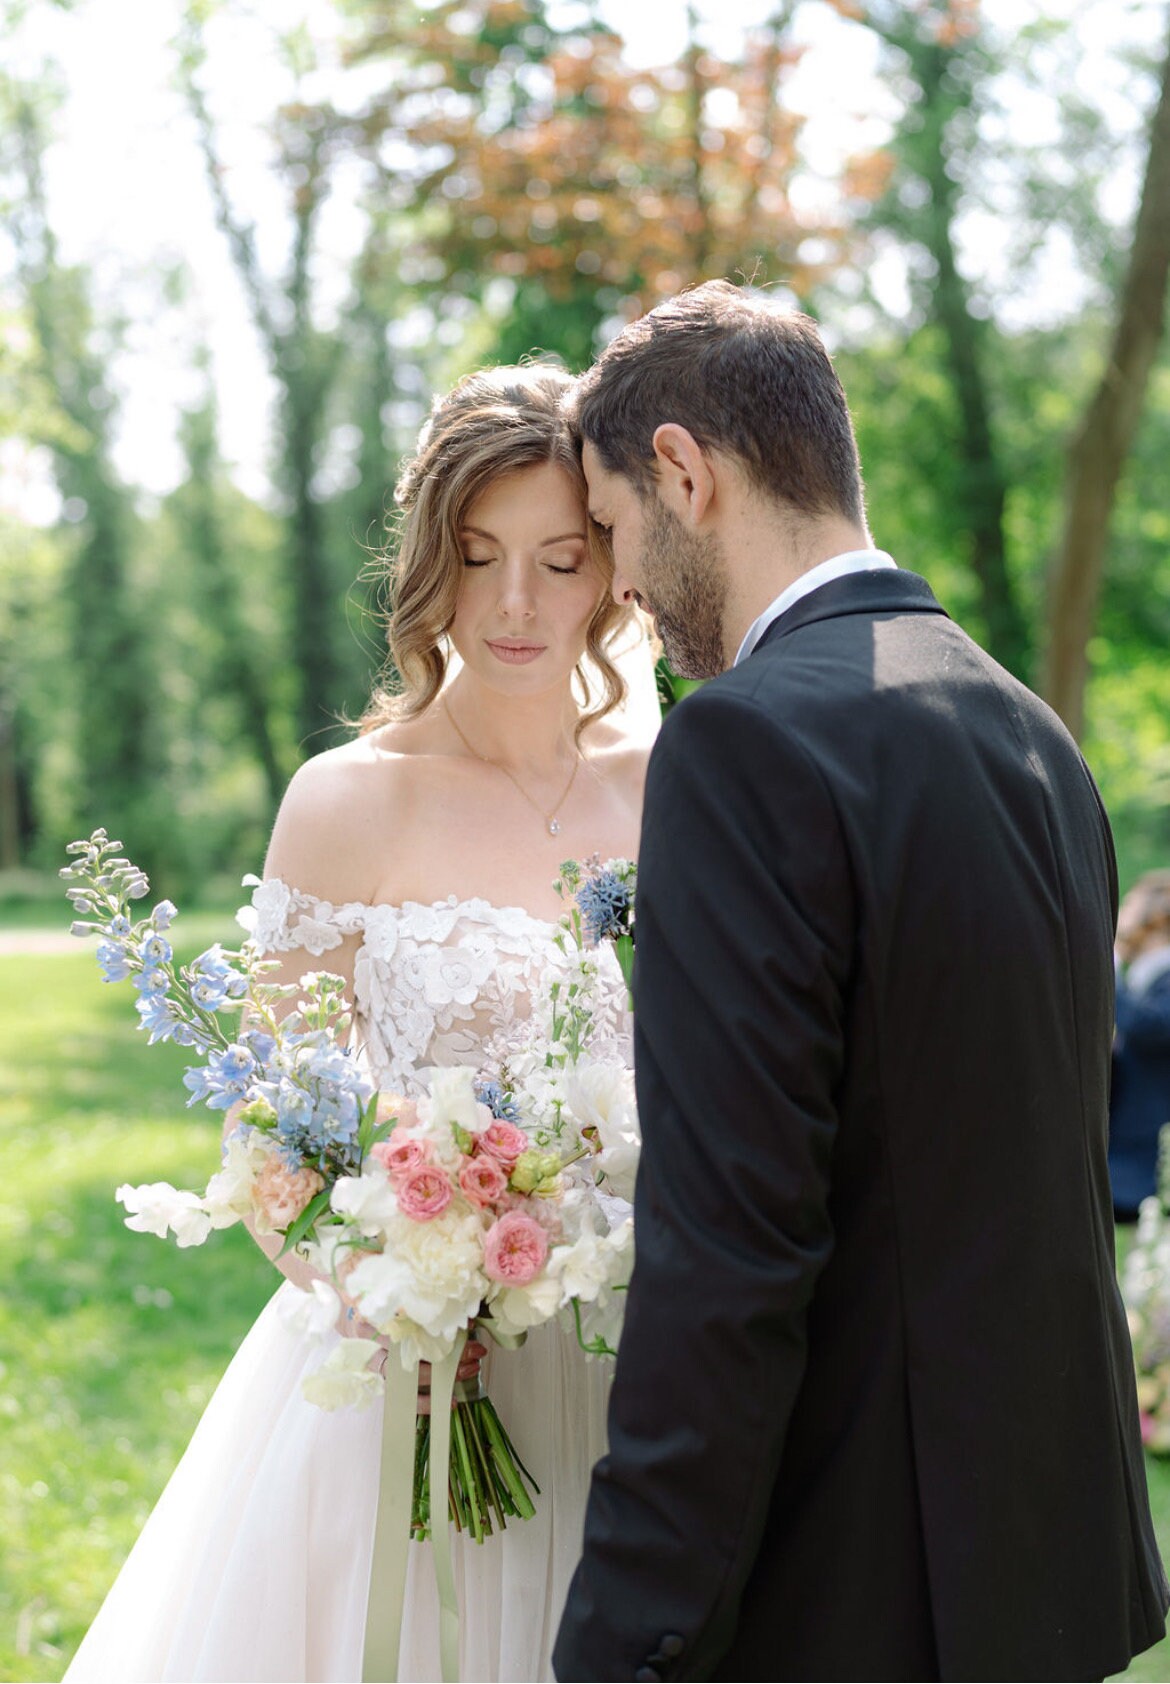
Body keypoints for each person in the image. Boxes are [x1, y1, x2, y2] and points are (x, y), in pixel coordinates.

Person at [552, 279, 1169, 1683]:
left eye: (607, 533)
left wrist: (627, 1637)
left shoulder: (742, 748)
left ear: (682, 474)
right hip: (1034, 1570)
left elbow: (729, 1253)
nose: (622, 589)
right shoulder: (1026, 732)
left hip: (851, 1589)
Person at [64, 363, 653, 1684]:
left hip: (636, 1367)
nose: (515, 605)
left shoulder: (675, 784)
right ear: (425, 559)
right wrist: (395, 1290)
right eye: (476, 555)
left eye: (560, 561)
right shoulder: (346, 802)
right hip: (407, 1371)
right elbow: (277, 1125)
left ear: (612, 568)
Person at [1109, 870, 1170, 1221]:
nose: (1122, 911)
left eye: (1130, 902)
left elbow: (1149, 1026)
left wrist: (1108, 969)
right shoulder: (1144, 979)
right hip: (1128, 1151)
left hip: (1147, 1161)